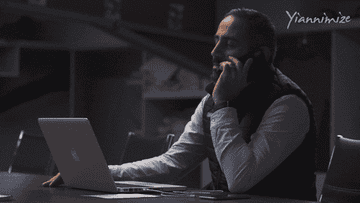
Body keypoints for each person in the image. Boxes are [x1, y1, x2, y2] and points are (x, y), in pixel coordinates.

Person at [42, 8, 317, 201]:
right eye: (216, 41)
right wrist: (97, 173)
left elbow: (240, 180)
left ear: (260, 56)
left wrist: (223, 105)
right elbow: (173, 164)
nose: (214, 52)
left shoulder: (287, 104)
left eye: (229, 43)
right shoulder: (214, 100)